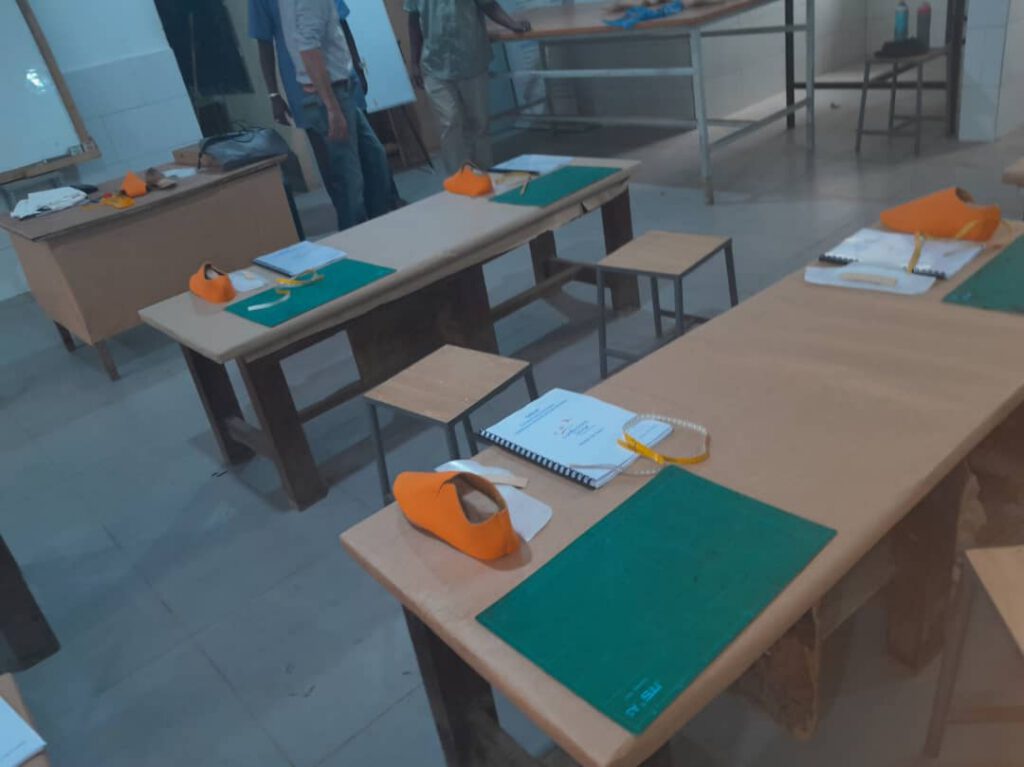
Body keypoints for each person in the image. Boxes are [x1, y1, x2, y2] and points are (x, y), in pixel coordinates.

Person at [252, 0, 393, 231]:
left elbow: (337, 26)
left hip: (340, 87)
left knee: (373, 157)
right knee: (348, 178)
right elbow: (308, 49)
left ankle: (380, 224)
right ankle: (355, 236)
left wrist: (355, 68)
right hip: (328, 92)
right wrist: (331, 107)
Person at [406, 0, 531, 173]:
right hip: (435, 64)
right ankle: (459, 177)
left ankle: (483, 172)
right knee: (449, 123)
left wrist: (512, 24)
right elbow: (413, 20)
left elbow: (489, 5)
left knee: (479, 122)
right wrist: (414, 62)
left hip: (471, 60)